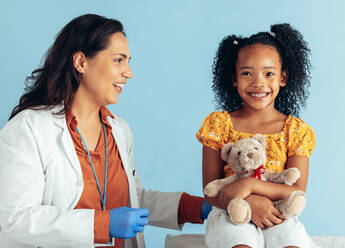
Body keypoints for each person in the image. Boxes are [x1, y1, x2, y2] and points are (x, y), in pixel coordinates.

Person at [0, 14, 211, 248]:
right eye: (119, 60)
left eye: (128, 61)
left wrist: (196, 208)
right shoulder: (28, 129)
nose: (128, 72)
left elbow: (133, 200)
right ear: (81, 62)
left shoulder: (119, 130)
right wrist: (102, 224)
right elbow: (15, 219)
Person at [196, 24, 318, 248]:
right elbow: (210, 190)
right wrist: (247, 200)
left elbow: (297, 190)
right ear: (234, 79)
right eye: (247, 73)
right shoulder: (219, 125)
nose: (258, 82)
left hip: (277, 215)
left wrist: (250, 185)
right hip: (229, 214)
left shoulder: (295, 130)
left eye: (268, 73)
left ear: (283, 78)